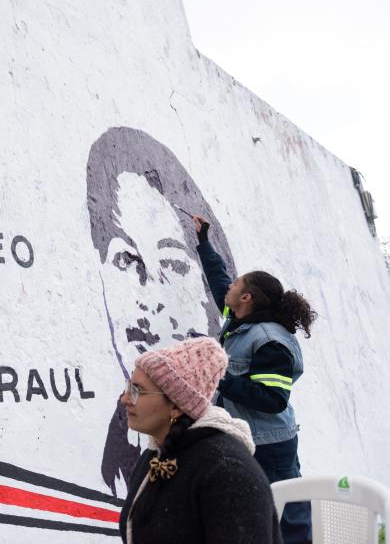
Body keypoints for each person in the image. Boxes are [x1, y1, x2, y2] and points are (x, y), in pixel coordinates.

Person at [86, 126, 239, 498]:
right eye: (125, 259)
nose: (148, 299)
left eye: (172, 264)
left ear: (212, 304)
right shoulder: (127, 454)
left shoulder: (228, 475)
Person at [192, 215, 316, 544]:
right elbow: (221, 284)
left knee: (290, 518)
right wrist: (204, 243)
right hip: (250, 438)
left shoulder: (269, 339)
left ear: (247, 298)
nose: (230, 288)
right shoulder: (239, 319)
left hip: (271, 444)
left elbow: (272, 398)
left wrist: (218, 378)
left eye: (237, 286)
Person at [118, 336, 282, 544]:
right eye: (128, 387)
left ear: (177, 406)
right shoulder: (155, 455)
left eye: (138, 391)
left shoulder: (228, 472)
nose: (125, 398)